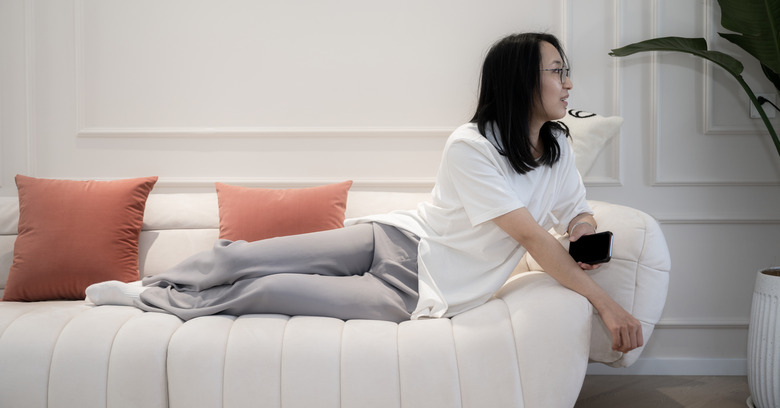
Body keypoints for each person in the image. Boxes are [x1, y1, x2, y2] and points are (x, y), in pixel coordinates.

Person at [87, 32, 642, 354]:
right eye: (557, 71)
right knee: (243, 255)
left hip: (417, 292)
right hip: (396, 238)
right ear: (523, 80)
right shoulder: (471, 145)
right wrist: (607, 304)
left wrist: (583, 233)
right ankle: (146, 288)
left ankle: (154, 302)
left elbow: (575, 211)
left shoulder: (560, 147)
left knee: (267, 290)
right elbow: (526, 235)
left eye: (567, 71)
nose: (569, 82)